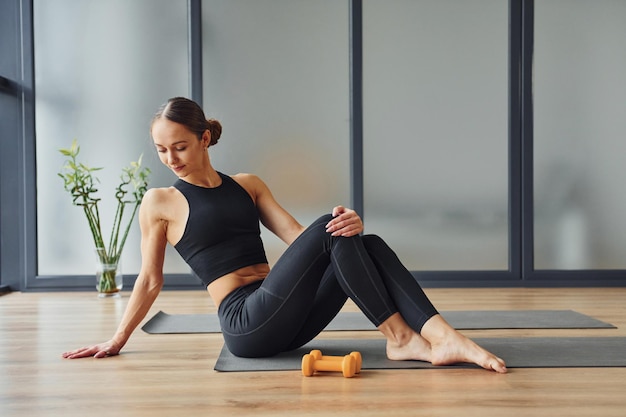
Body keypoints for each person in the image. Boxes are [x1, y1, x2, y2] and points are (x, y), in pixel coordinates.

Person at [62, 97, 507, 373]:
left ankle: (441, 334)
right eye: (161, 149)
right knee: (331, 228)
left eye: (179, 146)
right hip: (246, 325)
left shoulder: (248, 184)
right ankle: (402, 339)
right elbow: (149, 280)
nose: (171, 158)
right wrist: (116, 340)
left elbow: (299, 237)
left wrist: (346, 230)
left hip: (289, 315)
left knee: (363, 240)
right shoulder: (159, 202)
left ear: (203, 139)